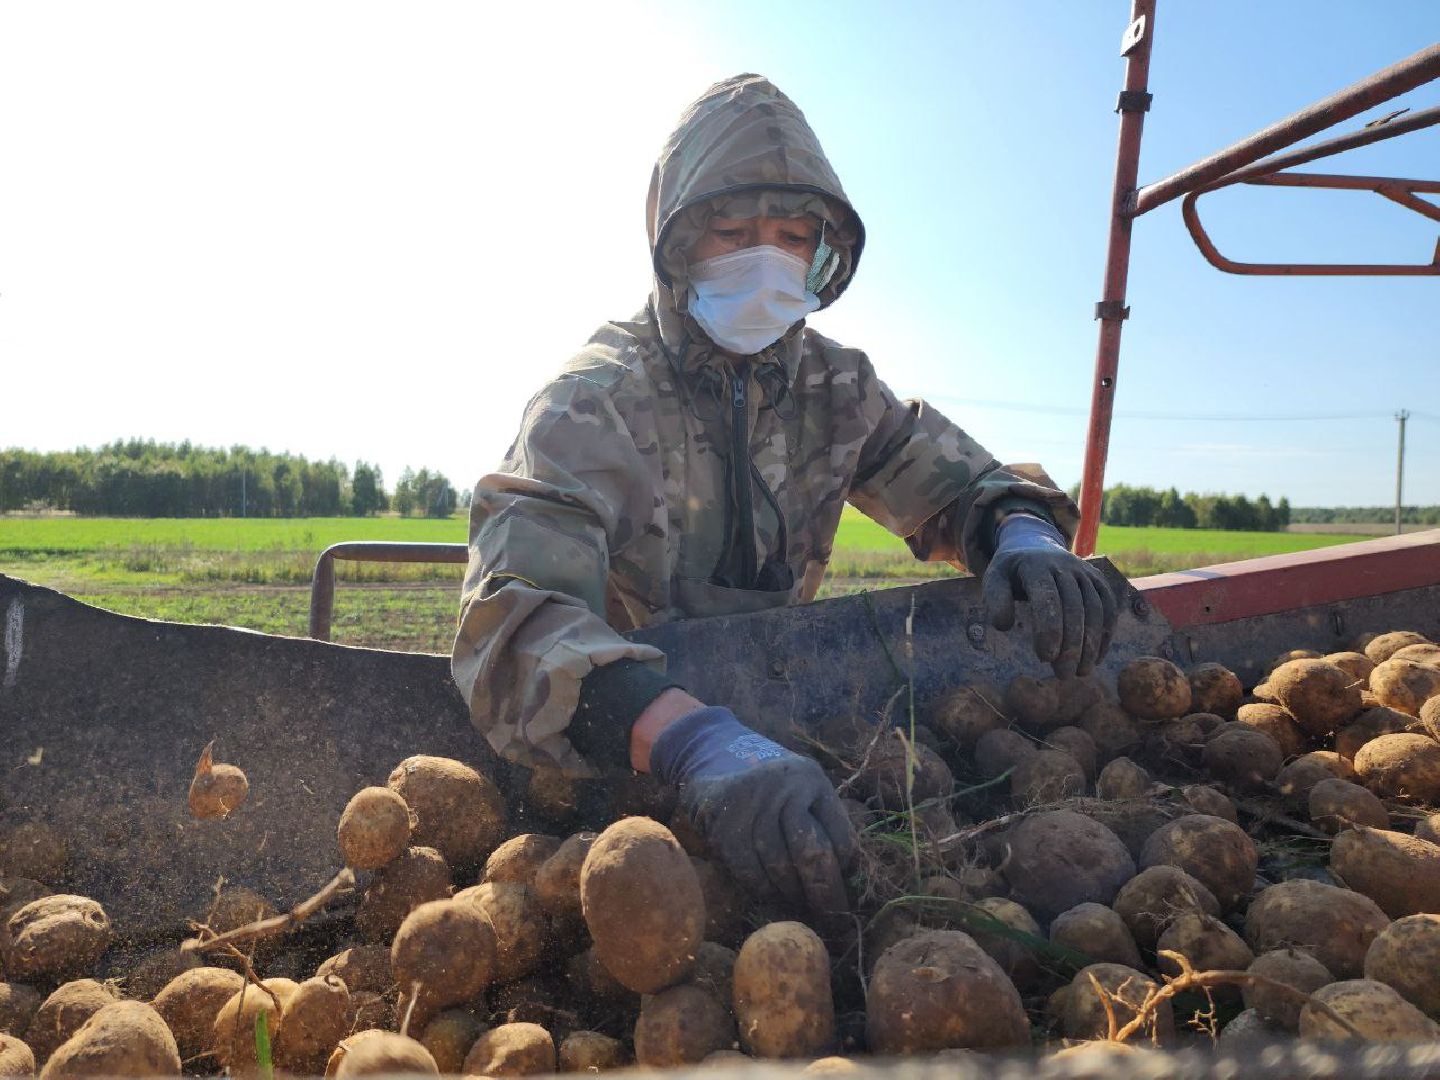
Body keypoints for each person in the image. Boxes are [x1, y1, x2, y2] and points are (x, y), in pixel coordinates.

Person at [452, 74, 1117, 924]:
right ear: (678, 243)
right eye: (732, 233)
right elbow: (516, 630)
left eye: (793, 236)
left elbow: (956, 482)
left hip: (787, 736)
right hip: (623, 752)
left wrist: (1018, 531)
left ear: (823, 250)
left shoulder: (834, 388)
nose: (766, 260)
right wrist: (689, 739)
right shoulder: (594, 403)